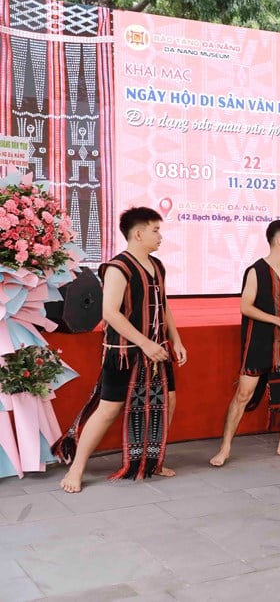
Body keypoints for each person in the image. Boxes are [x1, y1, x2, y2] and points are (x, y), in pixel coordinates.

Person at [53, 207, 187, 493]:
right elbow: (110, 313)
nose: (160, 236)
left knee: (168, 401)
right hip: (124, 351)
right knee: (108, 409)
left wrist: (175, 340)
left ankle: (153, 461)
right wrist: (145, 343)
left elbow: (164, 307)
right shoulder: (118, 267)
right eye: (155, 230)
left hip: (157, 351)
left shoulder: (158, 265)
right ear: (138, 234)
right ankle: (77, 469)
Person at [210, 220, 280, 466]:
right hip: (260, 342)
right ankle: (225, 448)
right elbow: (246, 306)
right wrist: (279, 320)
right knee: (243, 393)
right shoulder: (255, 270)